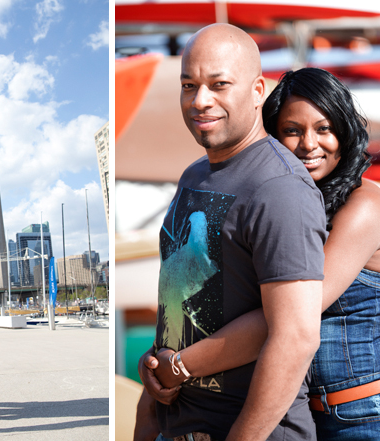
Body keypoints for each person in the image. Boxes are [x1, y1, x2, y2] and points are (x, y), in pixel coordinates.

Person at [140, 67, 380, 440]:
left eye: (324, 129)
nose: (309, 144)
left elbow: (286, 316)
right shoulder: (291, 199)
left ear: (344, 132)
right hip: (306, 407)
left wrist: (175, 366)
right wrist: (157, 356)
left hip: (366, 413)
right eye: (292, 131)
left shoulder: (365, 207)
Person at [133, 23, 327, 441]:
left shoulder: (280, 187)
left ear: (258, 91)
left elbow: (296, 336)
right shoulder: (194, 175)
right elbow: (176, 301)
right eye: (189, 85)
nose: (201, 101)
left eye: (219, 85)